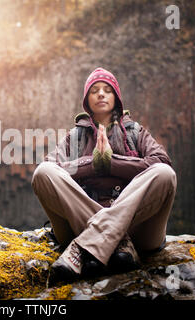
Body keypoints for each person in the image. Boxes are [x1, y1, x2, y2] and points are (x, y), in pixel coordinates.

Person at [31, 67, 177, 281]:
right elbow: (50, 167)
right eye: (94, 90)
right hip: (80, 222)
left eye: (107, 90)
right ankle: (118, 242)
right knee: (44, 173)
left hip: (139, 229)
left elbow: (162, 161)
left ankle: (83, 248)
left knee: (164, 174)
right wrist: (93, 163)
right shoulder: (76, 137)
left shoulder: (135, 132)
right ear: (86, 100)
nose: (101, 94)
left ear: (116, 97)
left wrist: (110, 163)